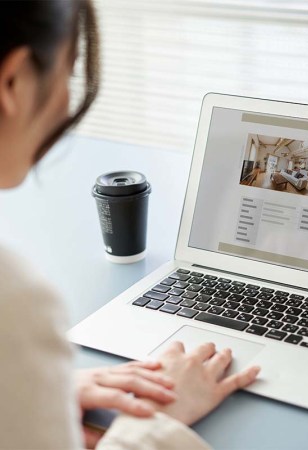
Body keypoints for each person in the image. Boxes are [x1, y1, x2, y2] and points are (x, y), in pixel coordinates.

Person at [0, 1, 260, 449]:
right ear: (13, 81)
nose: (66, 98)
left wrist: (31, 393)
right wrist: (157, 420)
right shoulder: (15, 302)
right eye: (69, 69)